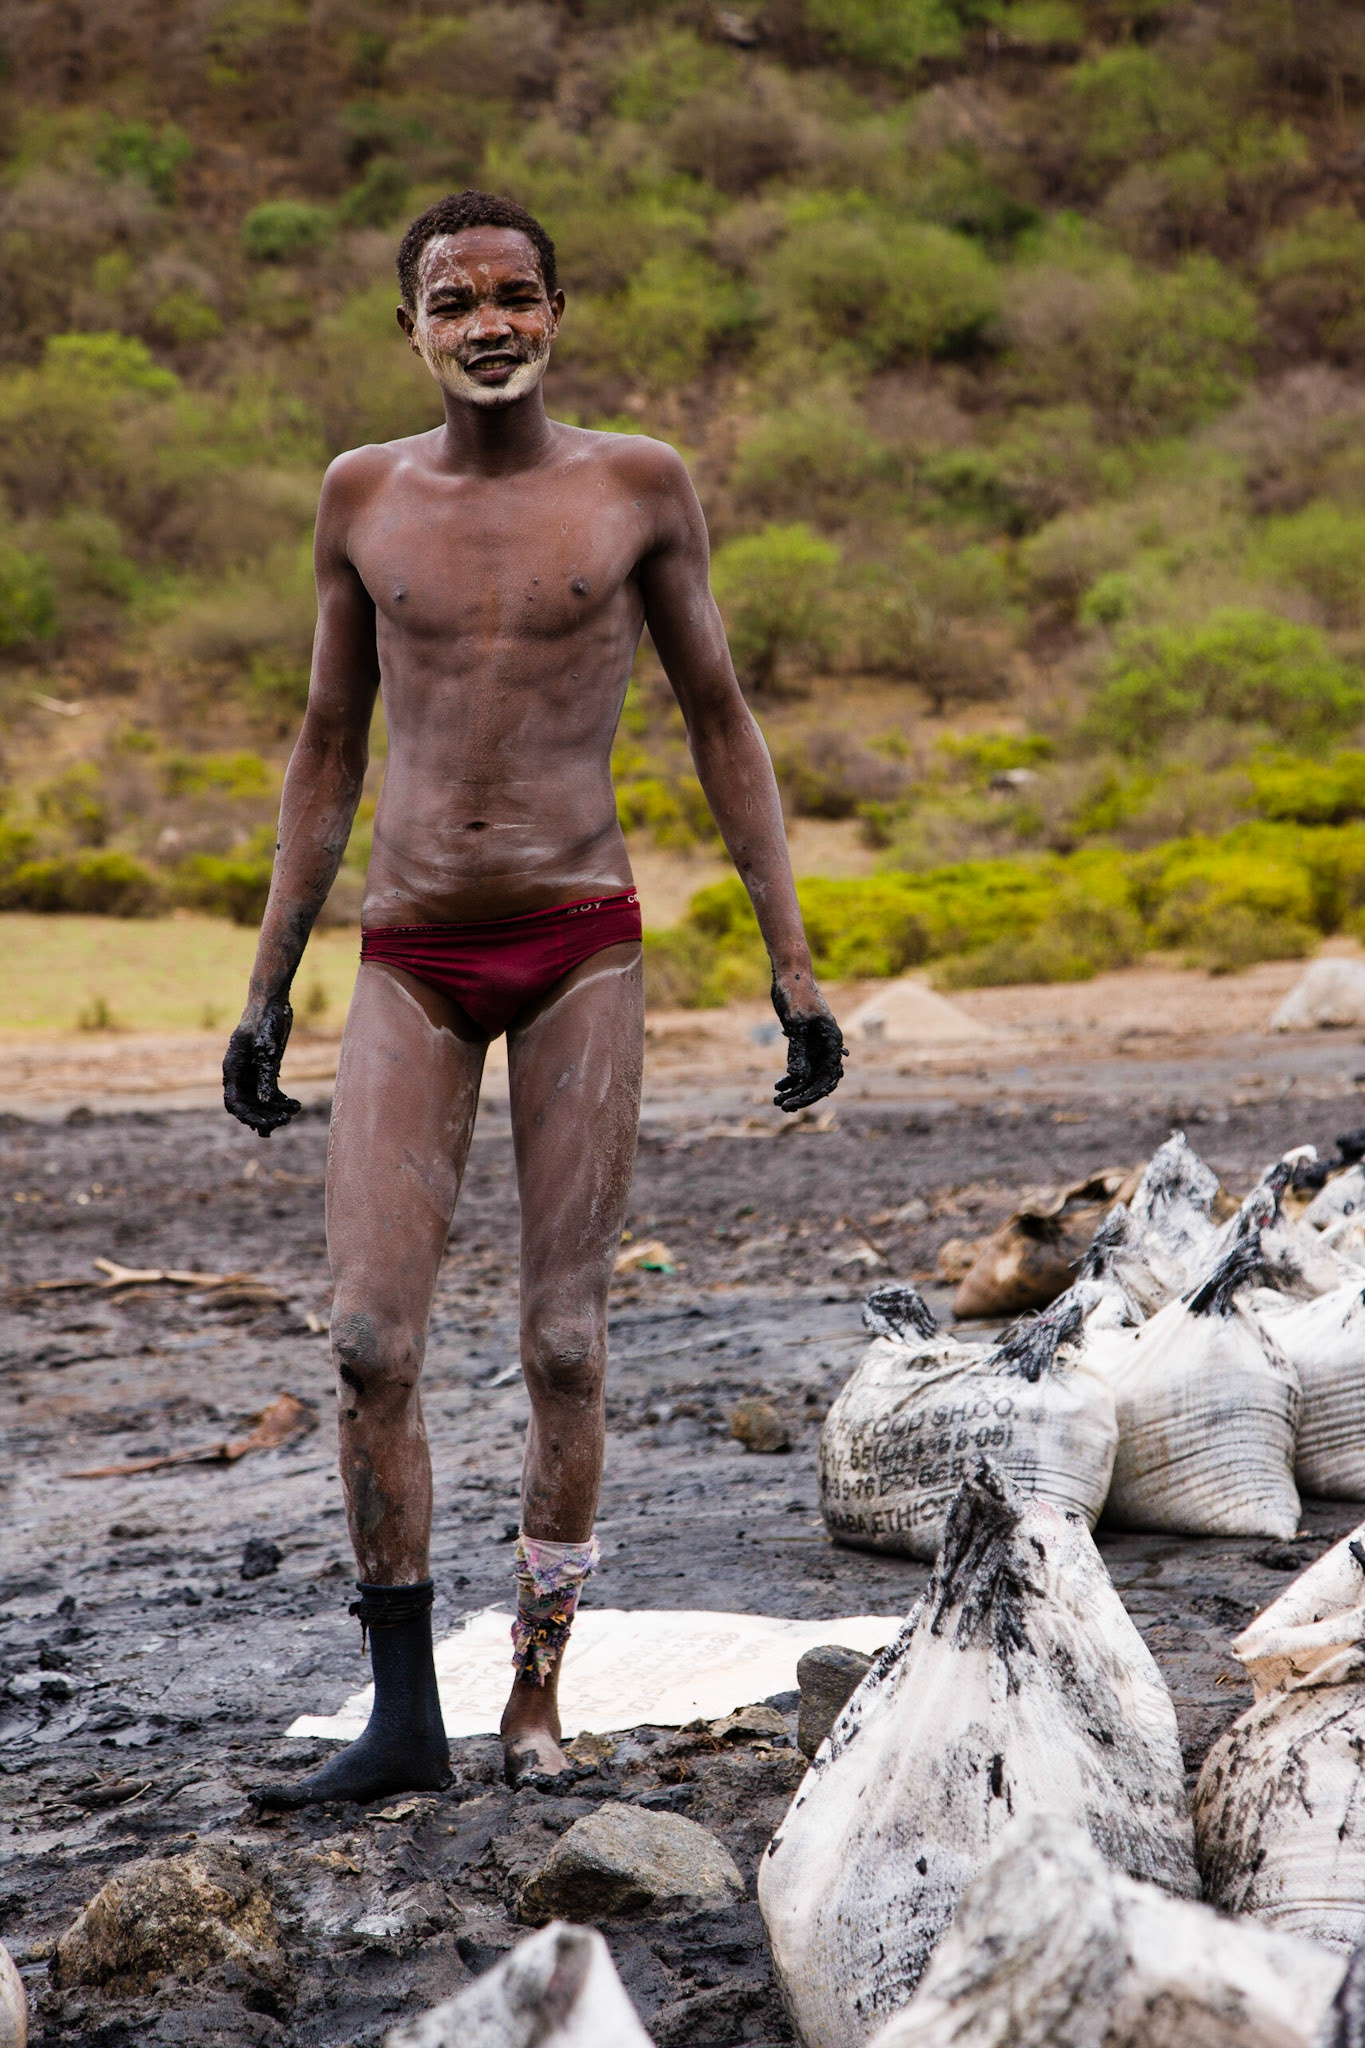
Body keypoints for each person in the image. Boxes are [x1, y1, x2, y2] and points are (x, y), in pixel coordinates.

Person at [223, 189, 845, 1805]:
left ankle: (535, 1692)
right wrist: (266, 982)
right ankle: (399, 1717)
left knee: (565, 1343)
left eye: (513, 295)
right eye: (453, 303)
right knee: (367, 1342)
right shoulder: (360, 498)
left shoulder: (637, 486)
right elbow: (326, 743)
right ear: (412, 329)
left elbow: (720, 716)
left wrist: (792, 962)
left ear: (556, 312)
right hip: (411, 953)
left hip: (581, 941)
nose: (486, 324)